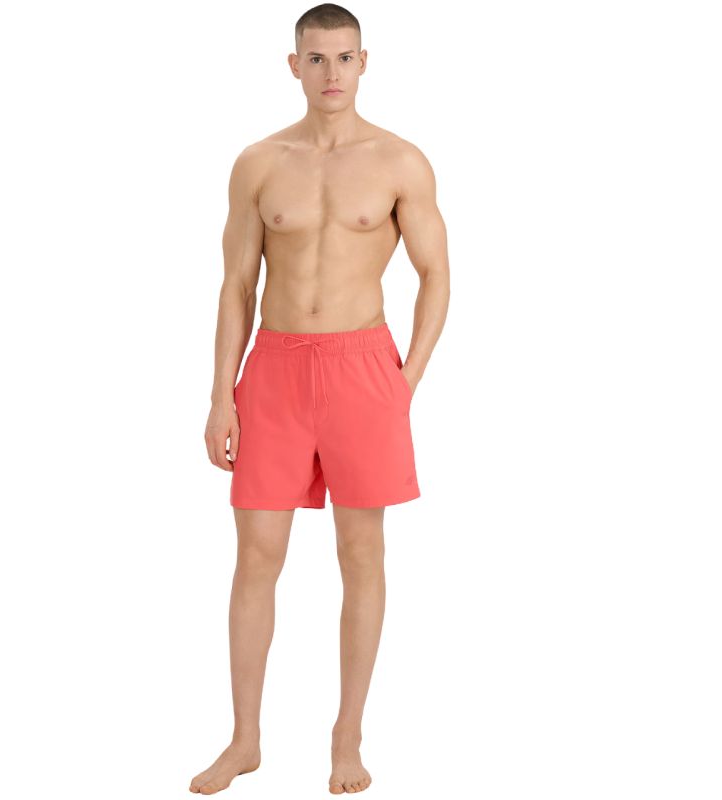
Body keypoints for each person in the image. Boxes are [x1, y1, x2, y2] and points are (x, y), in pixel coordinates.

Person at [194, 3, 449, 795]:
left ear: (364, 62)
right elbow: (237, 285)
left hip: (362, 368)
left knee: (361, 553)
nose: (331, 72)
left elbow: (437, 275)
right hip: (274, 371)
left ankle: (347, 738)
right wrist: (221, 395)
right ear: (294, 65)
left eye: (344, 58)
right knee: (255, 557)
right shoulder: (259, 163)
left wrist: (405, 380)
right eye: (316, 58)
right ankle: (244, 740)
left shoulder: (401, 161)